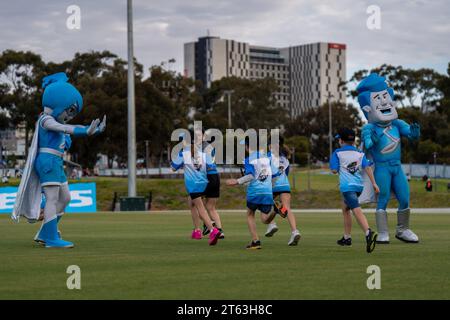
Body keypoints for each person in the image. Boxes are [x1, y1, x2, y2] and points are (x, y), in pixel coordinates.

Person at [12, 72, 106, 248]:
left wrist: (92, 129)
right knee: (53, 198)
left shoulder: (54, 121)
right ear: (59, 102)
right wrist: (84, 131)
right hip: (48, 161)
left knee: (66, 197)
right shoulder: (46, 119)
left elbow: (68, 127)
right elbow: (62, 127)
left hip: (55, 162)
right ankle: (50, 237)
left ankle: (47, 232)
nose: (70, 115)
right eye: (70, 110)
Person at [358, 73, 420, 244]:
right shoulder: (369, 128)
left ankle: (403, 230)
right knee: (383, 198)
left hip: (397, 167)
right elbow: (368, 144)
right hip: (382, 168)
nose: (384, 102)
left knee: (405, 197)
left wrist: (414, 133)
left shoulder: (397, 124)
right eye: (378, 98)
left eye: (385, 96)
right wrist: (373, 140)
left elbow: (410, 134)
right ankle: (383, 232)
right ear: (367, 108)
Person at [226, 137, 283, 250]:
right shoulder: (267, 158)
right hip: (267, 192)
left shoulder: (248, 159)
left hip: (254, 192)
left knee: (250, 214)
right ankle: (275, 211)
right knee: (265, 219)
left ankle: (255, 241)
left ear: (247, 147)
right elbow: (276, 174)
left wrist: (237, 181)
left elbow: (251, 175)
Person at [330, 128, 379, 253]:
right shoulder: (360, 153)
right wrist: (374, 184)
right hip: (358, 187)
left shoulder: (337, 153)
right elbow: (367, 168)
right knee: (345, 208)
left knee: (356, 209)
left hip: (347, 187)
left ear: (341, 140)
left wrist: (340, 167)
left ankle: (368, 232)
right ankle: (347, 238)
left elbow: (334, 170)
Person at [171, 141, 222, 246]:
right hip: (204, 183)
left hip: (193, 185)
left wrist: (182, 164)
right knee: (191, 202)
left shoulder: (184, 154)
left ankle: (212, 230)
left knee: (201, 208)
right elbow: (211, 167)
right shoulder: (203, 154)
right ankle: (197, 231)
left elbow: (173, 168)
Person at [265, 136, 301, 246]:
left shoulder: (267, 157)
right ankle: (295, 231)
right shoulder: (285, 158)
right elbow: (286, 173)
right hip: (285, 184)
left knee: (263, 204)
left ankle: (272, 224)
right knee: (287, 208)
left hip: (272, 185)